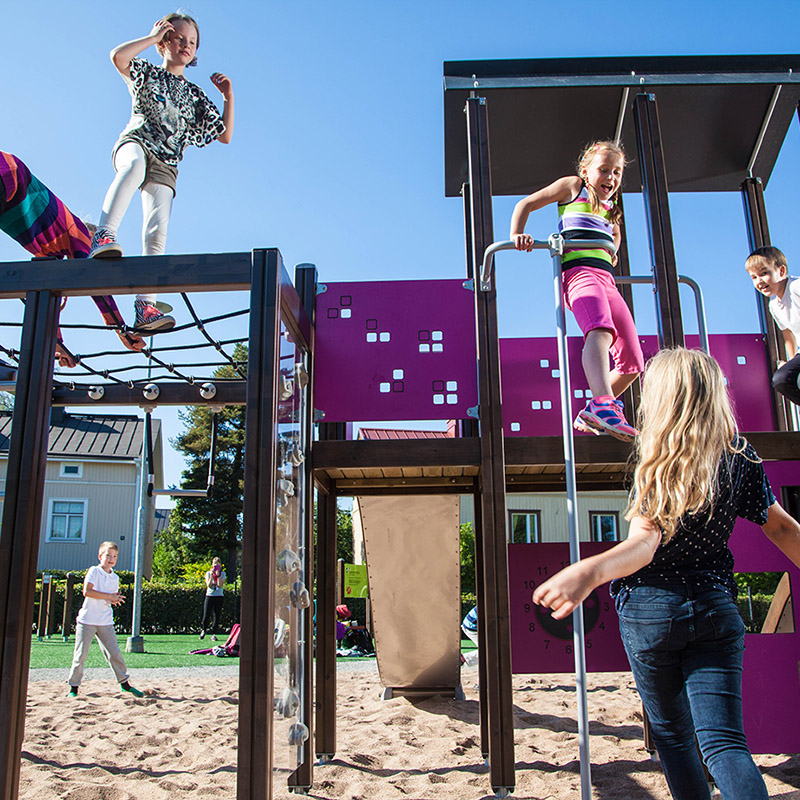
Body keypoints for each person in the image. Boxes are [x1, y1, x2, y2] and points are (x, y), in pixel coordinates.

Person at [532, 348, 800, 800]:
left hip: (652, 611)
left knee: (675, 738)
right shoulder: (738, 453)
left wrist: (590, 570)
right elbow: (780, 526)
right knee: (725, 742)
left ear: (660, 397)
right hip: (715, 606)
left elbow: (644, 544)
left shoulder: (655, 458)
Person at [90, 13, 235, 333]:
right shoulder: (147, 72)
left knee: (157, 230)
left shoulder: (195, 96)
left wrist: (228, 97)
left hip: (167, 163)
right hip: (136, 143)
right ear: (165, 41)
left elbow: (224, 135)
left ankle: (146, 307)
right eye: (179, 38)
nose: (186, 45)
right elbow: (118, 57)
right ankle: (103, 234)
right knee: (133, 168)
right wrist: (151, 37)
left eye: (192, 43)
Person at [510, 140, 643, 441]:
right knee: (600, 329)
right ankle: (604, 404)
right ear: (585, 170)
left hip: (607, 279)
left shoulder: (612, 208)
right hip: (579, 273)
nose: (610, 178)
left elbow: (616, 233)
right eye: (604, 170)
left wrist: (613, 250)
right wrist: (517, 233)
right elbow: (526, 204)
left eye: (617, 173)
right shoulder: (574, 187)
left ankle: (595, 409)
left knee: (633, 361)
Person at [0, 151, 145, 367]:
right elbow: (95, 285)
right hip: (11, 177)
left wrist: (58, 346)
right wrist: (120, 329)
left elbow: (48, 304)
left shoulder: (51, 256)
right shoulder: (77, 232)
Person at [67, 541, 144, 698]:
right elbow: (87, 592)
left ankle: (125, 684)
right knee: (80, 655)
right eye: (108, 555)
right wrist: (109, 596)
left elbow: (109, 598)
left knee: (114, 654)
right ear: (100, 556)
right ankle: (73, 688)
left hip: (105, 621)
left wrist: (114, 600)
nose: (111, 559)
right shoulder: (94, 571)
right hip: (87, 620)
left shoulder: (115, 578)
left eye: (114, 556)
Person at [745, 245, 800, 405]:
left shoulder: (795, 287)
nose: (759, 281)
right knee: (782, 380)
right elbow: (788, 334)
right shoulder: (774, 305)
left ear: (781, 272)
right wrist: (791, 361)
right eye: (754, 277)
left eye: (764, 274)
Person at [200, 556, 226, 641]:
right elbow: (209, 585)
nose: (216, 566)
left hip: (219, 596)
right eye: (214, 564)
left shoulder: (223, 574)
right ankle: (204, 630)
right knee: (206, 614)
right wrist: (211, 576)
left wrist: (218, 576)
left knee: (217, 615)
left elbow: (220, 585)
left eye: (217, 565)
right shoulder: (208, 573)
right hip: (210, 595)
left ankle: (214, 633)